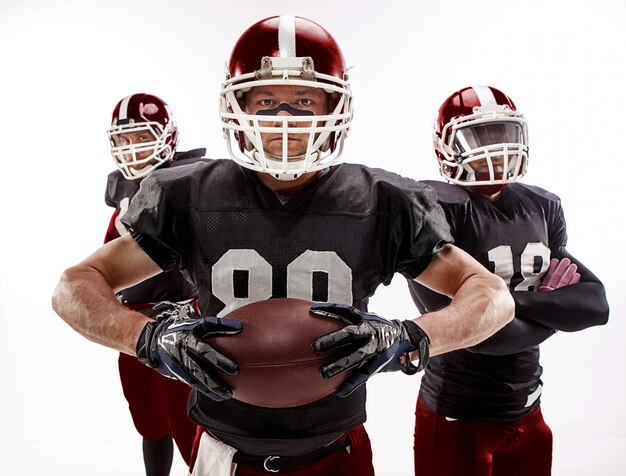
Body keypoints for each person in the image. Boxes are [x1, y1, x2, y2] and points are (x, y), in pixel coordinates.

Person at [52, 17, 514, 476]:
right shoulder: (188, 195)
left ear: (335, 106)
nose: (285, 119)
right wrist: (147, 338)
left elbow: (491, 294)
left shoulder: (382, 200)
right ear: (237, 105)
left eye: (304, 100)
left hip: (339, 449)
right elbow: (74, 286)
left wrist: (410, 338)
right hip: (222, 450)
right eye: (268, 100)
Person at [408, 85, 609, 476]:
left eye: (502, 133)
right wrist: (555, 308)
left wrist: (506, 303)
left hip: (530, 412)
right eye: (480, 135)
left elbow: (596, 305)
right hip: (458, 417)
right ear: (446, 145)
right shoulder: (436, 208)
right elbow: (486, 337)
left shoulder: (541, 205)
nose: (495, 146)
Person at [104, 93, 205, 475]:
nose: (132, 149)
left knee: (191, 428)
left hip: (180, 324)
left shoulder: (187, 182)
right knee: (149, 421)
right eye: (124, 140)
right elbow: (112, 242)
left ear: (168, 136)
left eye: (141, 137)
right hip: (131, 325)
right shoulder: (123, 186)